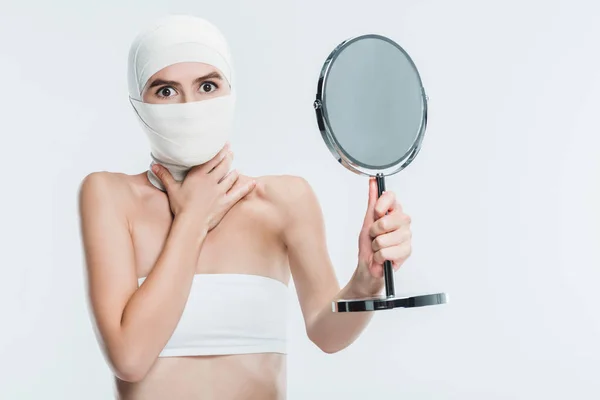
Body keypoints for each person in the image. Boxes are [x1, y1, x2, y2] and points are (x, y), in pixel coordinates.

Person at [78, 15, 413, 400]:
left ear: (230, 91)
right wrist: (192, 220)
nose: (189, 105)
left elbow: (327, 333)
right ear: (139, 103)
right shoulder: (109, 195)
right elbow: (130, 358)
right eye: (166, 91)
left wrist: (366, 278)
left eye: (207, 85)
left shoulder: (286, 200)